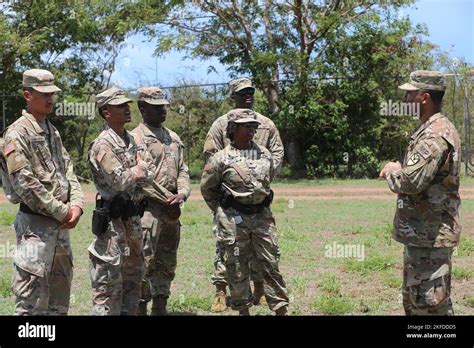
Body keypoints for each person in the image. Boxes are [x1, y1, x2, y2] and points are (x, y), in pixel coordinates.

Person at [1, 69, 84, 315]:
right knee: (30, 303)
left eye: (52, 94)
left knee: (59, 302)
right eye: (43, 93)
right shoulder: (16, 134)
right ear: (27, 95)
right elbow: (25, 184)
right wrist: (62, 211)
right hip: (35, 227)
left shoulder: (52, 131)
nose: (50, 99)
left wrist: (77, 204)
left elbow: (69, 170)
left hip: (60, 227)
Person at [380, 70, 461, 315]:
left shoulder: (434, 135)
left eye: (409, 94)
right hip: (423, 234)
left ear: (424, 97)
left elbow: (411, 182)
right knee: (420, 304)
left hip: (430, 236)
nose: (405, 101)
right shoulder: (431, 130)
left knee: (430, 307)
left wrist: (394, 170)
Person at [203, 77, 284, 312]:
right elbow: (211, 158)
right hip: (230, 199)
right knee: (229, 251)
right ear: (233, 96)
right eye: (242, 92)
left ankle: (260, 290)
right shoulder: (221, 124)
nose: (247, 95)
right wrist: (225, 197)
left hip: (258, 196)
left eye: (250, 91)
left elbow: (276, 153)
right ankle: (221, 289)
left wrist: (259, 177)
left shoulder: (266, 123)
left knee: (265, 252)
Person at [88, 87, 155, 315]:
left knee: (134, 279)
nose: (127, 109)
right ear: (106, 112)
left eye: (127, 104)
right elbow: (119, 180)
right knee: (109, 285)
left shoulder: (133, 139)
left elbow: (151, 171)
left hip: (133, 219)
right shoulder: (102, 145)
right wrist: (138, 169)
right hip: (113, 226)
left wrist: (138, 170)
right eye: (120, 106)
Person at [131, 87, 190, 315]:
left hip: (172, 211)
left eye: (163, 106)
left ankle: (161, 306)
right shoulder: (134, 138)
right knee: (144, 261)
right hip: (147, 211)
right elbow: (140, 178)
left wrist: (182, 194)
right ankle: (140, 307)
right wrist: (167, 199)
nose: (162, 111)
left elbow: (183, 170)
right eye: (156, 108)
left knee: (166, 260)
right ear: (142, 108)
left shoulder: (173, 138)